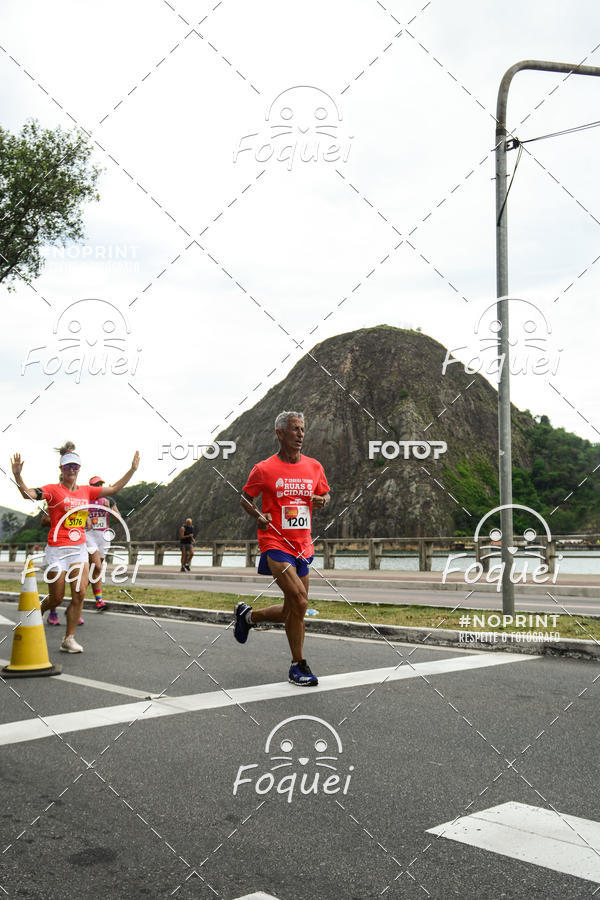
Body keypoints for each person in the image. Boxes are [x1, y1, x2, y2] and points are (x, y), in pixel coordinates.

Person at [11, 442, 140, 654]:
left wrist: (132, 470)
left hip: (79, 548)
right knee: (57, 598)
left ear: (79, 469)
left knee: (79, 593)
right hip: (57, 550)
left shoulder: (86, 491)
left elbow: (115, 488)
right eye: (68, 466)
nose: (72, 470)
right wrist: (18, 477)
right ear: (61, 469)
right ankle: (35, 614)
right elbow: (28, 495)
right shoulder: (53, 490)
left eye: (75, 467)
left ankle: (68, 639)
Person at [235, 411, 330, 686]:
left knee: (293, 610)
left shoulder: (314, 467)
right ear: (280, 434)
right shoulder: (264, 469)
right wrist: (258, 516)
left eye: (302, 429)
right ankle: (297, 666)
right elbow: (246, 498)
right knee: (301, 600)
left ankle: (248, 616)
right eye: (294, 429)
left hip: (303, 546)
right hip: (275, 543)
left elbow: (325, 493)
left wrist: (323, 500)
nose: (300, 434)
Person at [85, 476, 118, 611]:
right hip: (89, 535)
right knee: (97, 567)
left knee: (96, 570)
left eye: (100, 484)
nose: (98, 486)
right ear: (90, 486)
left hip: (103, 537)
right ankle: (82, 595)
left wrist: (109, 509)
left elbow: (118, 518)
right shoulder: (85, 499)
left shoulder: (109, 500)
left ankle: (97, 600)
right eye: (95, 485)